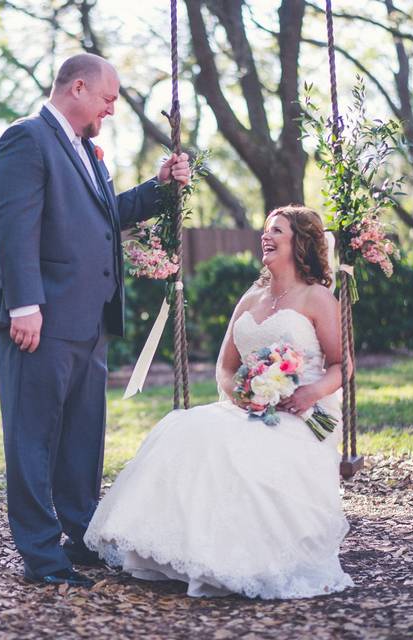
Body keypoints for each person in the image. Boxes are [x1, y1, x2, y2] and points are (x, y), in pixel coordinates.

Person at [0, 53, 191, 588]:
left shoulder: (86, 153)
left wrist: (159, 187)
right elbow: (13, 229)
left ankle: (80, 537)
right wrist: (23, 305)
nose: (112, 110)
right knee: (33, 439)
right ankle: (41, 556)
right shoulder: (25, 139)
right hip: (41, 320)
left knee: (82, 438)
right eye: (108, 99)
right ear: (78, 87)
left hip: (88, 322)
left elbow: (107, 217)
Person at [85, 205, 354, 598]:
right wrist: (245, 396)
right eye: (265, 230)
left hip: (302, 415)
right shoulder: (251, 298)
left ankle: (233, 556)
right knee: (183, 427)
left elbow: (341, 364)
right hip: (248, 409)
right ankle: (170, 550)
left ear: (301, 242)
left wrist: (306, 393)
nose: (267, 236)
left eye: (277, 230)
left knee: (230, 448)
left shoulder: (317, 298)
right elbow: (225, 369)